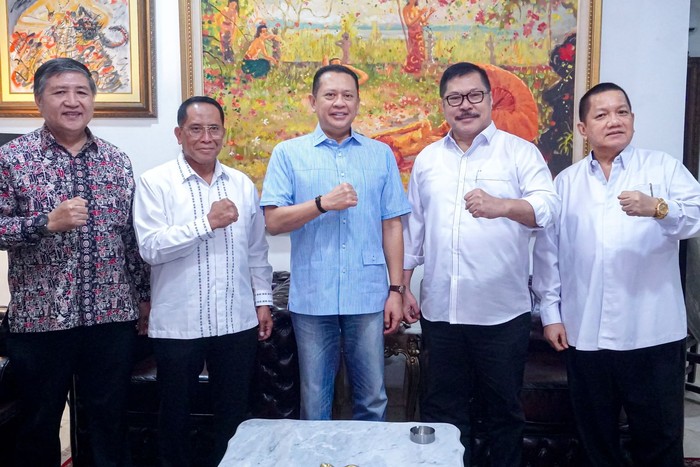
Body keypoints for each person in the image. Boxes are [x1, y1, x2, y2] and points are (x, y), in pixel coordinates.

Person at [532, 82, 700, 466]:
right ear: (583, 128)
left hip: (652, 330)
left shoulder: (662, 167)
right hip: (586, 332)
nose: (614, 121)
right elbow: (548, 253)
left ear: (633, 119)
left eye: (622, 112)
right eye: (602, 114)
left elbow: (696, 215)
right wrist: (551, 314)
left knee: (660, 440)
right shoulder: (566, 183)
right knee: (596, 441)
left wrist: (659, 208)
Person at [401, 62, 559, 465]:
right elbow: (414, 231)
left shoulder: (520, 153)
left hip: (501, 314)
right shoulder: (428, 160)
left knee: (503, 413)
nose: (465, 105)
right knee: (444, 413)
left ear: (490, 99)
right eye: (455, 98)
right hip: (442, 313)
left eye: (474, 95)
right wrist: (401, 288)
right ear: (443, 105)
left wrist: (503, 206)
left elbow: (547, 208)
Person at [0, 57, 150, 467]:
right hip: (41, 319)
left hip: (110, 317)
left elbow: (129, 238)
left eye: (81, 92)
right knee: (37, 425)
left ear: (93, 101)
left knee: (109, 423)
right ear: (39, 101)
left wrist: (144, 296)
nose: (72, 101)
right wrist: (44, 224)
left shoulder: (116, 160)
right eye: (60, 92)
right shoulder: (12, 158)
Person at [260, 64, 411, 421]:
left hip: (367, 294)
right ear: (313, 101)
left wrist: (396, 290)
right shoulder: (288, 153)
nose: (339, 103)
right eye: (330, 95)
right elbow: (273, 222)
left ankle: (367, 452)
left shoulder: (380, 154)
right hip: (314, 296)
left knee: (372, 397)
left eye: (347, 95)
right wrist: (321, 204)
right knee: (315, 400)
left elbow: (392, 226)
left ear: (358, 102)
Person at [133, 96, 274, 467]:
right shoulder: (155, 183)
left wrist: (263, 301)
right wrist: (206, 223)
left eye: (214, 129)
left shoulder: (241, 184)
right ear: (179, 134)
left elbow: (256, 251)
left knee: (234, 416)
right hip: (179, 325)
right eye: (196, 129)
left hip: (236, 322)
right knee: (174, 417)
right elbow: (150, 248)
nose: (206, 137)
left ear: (224, 133)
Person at [401, 0, 435, 75]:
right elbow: (408, 23)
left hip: (419, 32)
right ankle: (412, 69)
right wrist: (420, 14)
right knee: (414, 51)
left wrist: (430, 13)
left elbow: (423, 22)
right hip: (412, 33)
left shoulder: (417, 8)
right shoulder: (405, 9)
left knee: (421, 51)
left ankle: (418, 70)